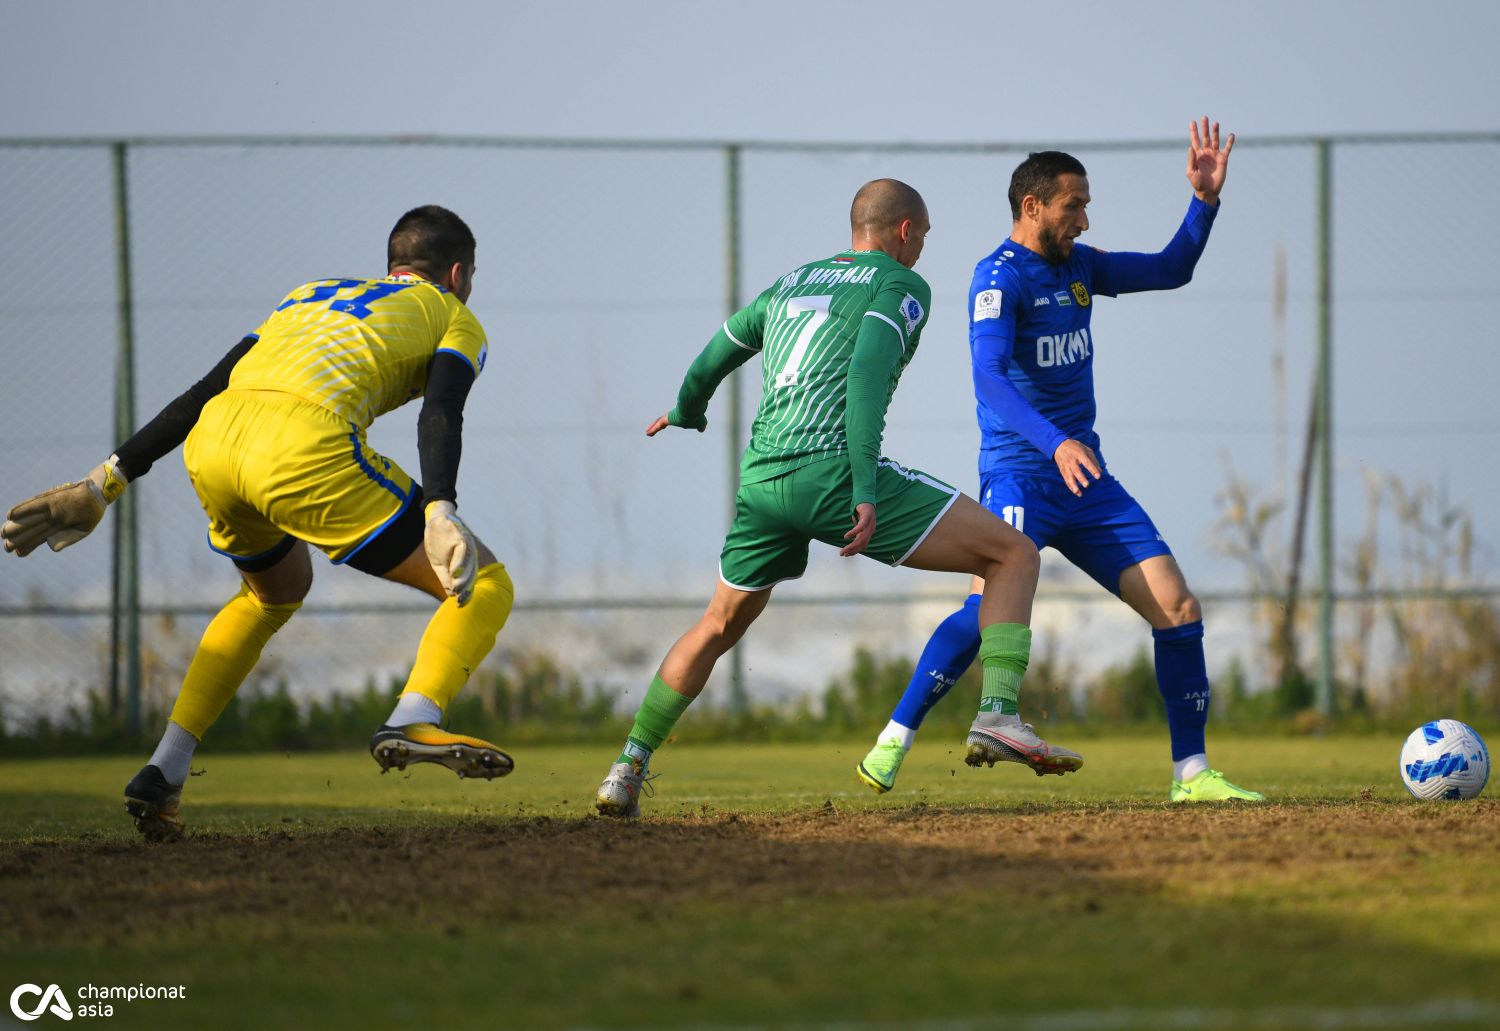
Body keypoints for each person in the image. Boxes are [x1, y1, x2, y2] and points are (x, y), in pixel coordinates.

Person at [2, 205, 517, 841]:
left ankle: (164, 770)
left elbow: (207, 387)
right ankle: (414, 716)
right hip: (305, 444)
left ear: (393, 264)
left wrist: (105, 481)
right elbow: (442, 410)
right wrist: (440, 506)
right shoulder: (453, 315)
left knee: (272, 593)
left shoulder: (307, 295)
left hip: (215, 442)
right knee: (485, 585)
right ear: (459, 273)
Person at [594, 178, 1083, 819]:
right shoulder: (901, 286)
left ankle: (627, 767)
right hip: (833, 474)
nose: (923, 251)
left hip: (763, 481)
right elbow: (865, 378)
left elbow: (720, 349)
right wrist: (862, 488)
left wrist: (687, 408)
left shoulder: (793, 281)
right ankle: (997, 714)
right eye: (925, 237)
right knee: (1012, 555)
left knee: (716, 624)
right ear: (904, 230)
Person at [855, 119, 1264, 803]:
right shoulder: (997, 278)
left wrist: (1204, 201)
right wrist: (1055, 441)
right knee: (985, 609)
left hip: (1088, 481)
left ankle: (1192, 774)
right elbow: (989, 379)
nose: (1084, 217)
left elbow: (1172, 268)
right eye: (1074, 204)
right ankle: (895, 736)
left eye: (1085, 204)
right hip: (1021, 473)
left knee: (1178, 605)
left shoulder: (1083, 266)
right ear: (1032, 206)